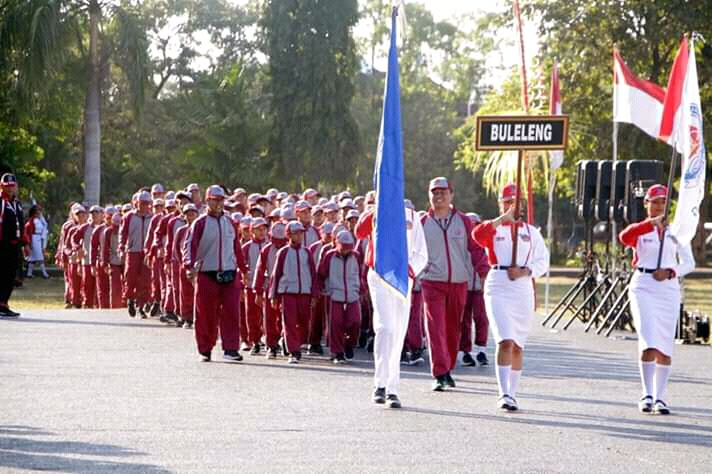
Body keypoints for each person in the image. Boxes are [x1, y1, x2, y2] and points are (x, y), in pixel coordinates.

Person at [619, 184, 695, 415]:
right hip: (644, 286)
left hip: (667, 289)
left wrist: (671, 272)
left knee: (663, 344)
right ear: (647, 204)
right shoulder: (641, 230)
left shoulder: (677, 233)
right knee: (648, 337)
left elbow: (688, 263)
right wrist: (649, 224)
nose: (658, 206)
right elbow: (625, 237)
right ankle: (647, 394)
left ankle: (661, 397)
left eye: (662, 202)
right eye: (654, 201)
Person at [473, 183, 550, 411]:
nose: (511, 206)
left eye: (515, 202)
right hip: (498, 285)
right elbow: (478, 235)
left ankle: (513, 392)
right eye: (507, 202)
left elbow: (542, 261)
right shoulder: (493, 229)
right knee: (504, 340)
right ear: (500, 203)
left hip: (522, 287)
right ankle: (503, 392)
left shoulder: (531, 232)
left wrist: (526, 271)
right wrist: (502, 220)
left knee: (517, 344)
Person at [354, 201, 428, 408]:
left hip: (403, 277)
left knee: (397, 330)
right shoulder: (377, 212)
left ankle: (392, 388)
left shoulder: (412, 216)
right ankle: (380, 383)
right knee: (384, 327)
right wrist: (374, 210)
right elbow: (359, 232)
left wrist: (409, 270)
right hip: (378, 275)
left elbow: (421, 252)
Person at [420, 177, 478, 391]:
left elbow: (475, 248)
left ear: (451, 194)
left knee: (453, 329)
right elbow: (413, 251)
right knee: (435, 327)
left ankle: (448, 368)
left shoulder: (463, 221)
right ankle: (439, 372)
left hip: (458, 282)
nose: (439, 196)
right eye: (434, 192)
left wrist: (484, 271)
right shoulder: (422, 223)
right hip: (432, 282)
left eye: (443, 192)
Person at [184, 185, 246, 362]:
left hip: (229, 273)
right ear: (208, 201)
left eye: (221, 200)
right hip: (207, 274)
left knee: (232, 313)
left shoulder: (231, 223)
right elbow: (190, 246)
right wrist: (189, 266)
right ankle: (205, 348)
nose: (219, 203)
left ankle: (231, 348)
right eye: (215, 200)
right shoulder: (200, 223)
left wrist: (244, 269)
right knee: (205, 315)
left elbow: (236, 248)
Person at [268, 221, 319, 364]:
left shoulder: (307, 252)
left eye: (301, 233)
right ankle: (294, 351)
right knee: (289, 321)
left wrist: (314, 293)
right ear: (289, 235)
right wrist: (274, 295)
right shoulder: (283, 252)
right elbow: (276, 275)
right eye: (296, 233)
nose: (300, 236)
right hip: (288, 292)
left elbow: (312, 274)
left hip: (304, 292)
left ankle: (288, 340)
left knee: (304, 322)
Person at [318, 231, 362, 364]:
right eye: (343, 247)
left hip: (352, 294)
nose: (346, 250)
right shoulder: (329, 256)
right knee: (335, 324)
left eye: (349, 247)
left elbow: (361, 273)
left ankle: (349, 344)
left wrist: (362, 289)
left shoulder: (356, 256)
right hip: (335, 294)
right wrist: (322, 290)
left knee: (355, 321)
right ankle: (337, 352)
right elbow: (321, 274)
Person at [459, 212, 491, 367]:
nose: (472, 228)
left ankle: (482, 350)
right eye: (469, 225)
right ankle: (466, 351)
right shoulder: (461, 244)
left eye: (475, 224)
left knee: (481, 318)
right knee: (464, 319)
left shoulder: (484, 245)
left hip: (479, 286)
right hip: (464, 285)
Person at [253, 222, 288, 358]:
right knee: (269, 317)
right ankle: (271, 345)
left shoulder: (290, 250)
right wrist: (258, 291)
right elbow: (260, 270)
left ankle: (285, 340)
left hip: (286, 288)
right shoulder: (266, 250)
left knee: (286, 317)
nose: (279, 244)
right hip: (270, 287)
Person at [119, 190, 153, 318]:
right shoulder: (129, 216)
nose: (144, 206)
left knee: (145, 279)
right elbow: (123, 233)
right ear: (136, 203)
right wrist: (122, 247)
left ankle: (141, 305)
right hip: (132, 251)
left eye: (146, 203)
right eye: (141, 203)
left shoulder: (152, 217)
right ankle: (130, 300)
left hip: (146, 252)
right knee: (130, 277)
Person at [242, 217, 269, 354]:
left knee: (268, 315)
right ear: (252, 230)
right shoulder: (246, 247)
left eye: (264, 229)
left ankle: (268, 339)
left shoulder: (269, 246)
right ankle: (254, 341)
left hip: (267, 286)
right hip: (251, 286)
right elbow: (241, 268)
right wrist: (243, 285)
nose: (262, 232)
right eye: (258, 229)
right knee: (252, 315)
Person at [0, 173, 25, 317]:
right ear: (2, 186)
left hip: (15, 245)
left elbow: (21, 224)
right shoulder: (1, 202)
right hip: (3, 244)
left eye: (12, 186)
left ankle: (4, 303)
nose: (10, 189)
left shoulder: (17, 203)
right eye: (7, 186)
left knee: (11, 275)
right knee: (2, 274)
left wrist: (25, 243)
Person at [173, 203, 199, 328]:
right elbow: (177, 248)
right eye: (188, 214)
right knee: (185, 292)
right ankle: (186, 317)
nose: (190, 217)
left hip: (198, 266)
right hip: (184, 265)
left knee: (198, 292)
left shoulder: (200, 229)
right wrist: (182, 262)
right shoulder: (181, 230)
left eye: (192, 214)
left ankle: (197, 317)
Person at [101, 212, 125, 308]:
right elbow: (105, 248)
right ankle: (115, 306)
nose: (117, 227)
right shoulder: (108, 232)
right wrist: (105, 263)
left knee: (126, 284)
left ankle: (125, 305)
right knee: (115, 285)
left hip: (125, 260)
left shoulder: (125, 230)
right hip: (113, 261)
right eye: (115, 224)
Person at [24, 205, 50, 279]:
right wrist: (29, 243)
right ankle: (45, 274)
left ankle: (29, 273)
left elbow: (45, 225)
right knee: (39, 257)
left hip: (38, 238)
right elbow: (28, 231)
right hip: (34, 239)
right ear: (34, 212)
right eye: (37, 211)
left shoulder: (39, 220)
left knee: (33, 258)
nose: (39, 212)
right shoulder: (31, 221)